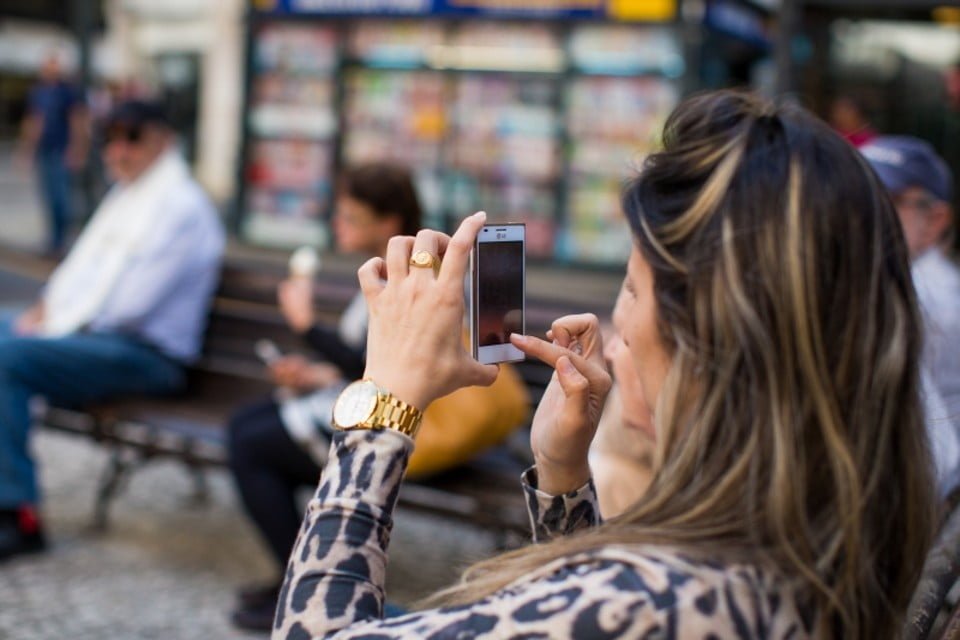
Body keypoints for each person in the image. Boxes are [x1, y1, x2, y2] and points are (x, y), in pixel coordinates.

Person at [271, 90, 937, 639]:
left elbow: (314, 631)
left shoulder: (669, 598)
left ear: (708, 340)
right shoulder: (815, 551)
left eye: (631, 292)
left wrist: (382, 398)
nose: (614, 336)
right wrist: (563, 479)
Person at [0, 100, 224, 561]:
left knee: (10, 358)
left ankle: (17, 514)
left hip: (148, 357)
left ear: (164, 138)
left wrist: (51, 324)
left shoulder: (180, 206)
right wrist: (45, 312)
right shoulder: (130, 195)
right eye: (109, 139)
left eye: (132, 138)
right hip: (100, 339)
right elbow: (79, 276)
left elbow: (130, 309)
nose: (118, 150)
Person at [225, 163, 424, 630]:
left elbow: (385, 366)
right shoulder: (389, 267)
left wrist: (307, 327)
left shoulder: (414, 274)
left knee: (251, 446)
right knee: (245, 424)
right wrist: (314, 373)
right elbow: (368, 360)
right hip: (363, 404)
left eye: (351, 216)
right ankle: (297, 575)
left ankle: (303, 583)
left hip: (395, 423)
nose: (340, 224)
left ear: (389, 223)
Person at [861, 136, 960, 493]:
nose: (864, 211)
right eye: (857, 194)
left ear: (934, 220)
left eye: (888, 201)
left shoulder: (933, 299)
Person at [17, 53, 90, 255]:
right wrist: (27, 151)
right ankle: (53, 240)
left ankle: (61, 240)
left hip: (61, 149)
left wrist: (77, 149)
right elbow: (34, 122)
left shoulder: (67, 92)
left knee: (61, 198)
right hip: (45, 149)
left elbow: (78, 121)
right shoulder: (39, 92)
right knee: (48, 196)